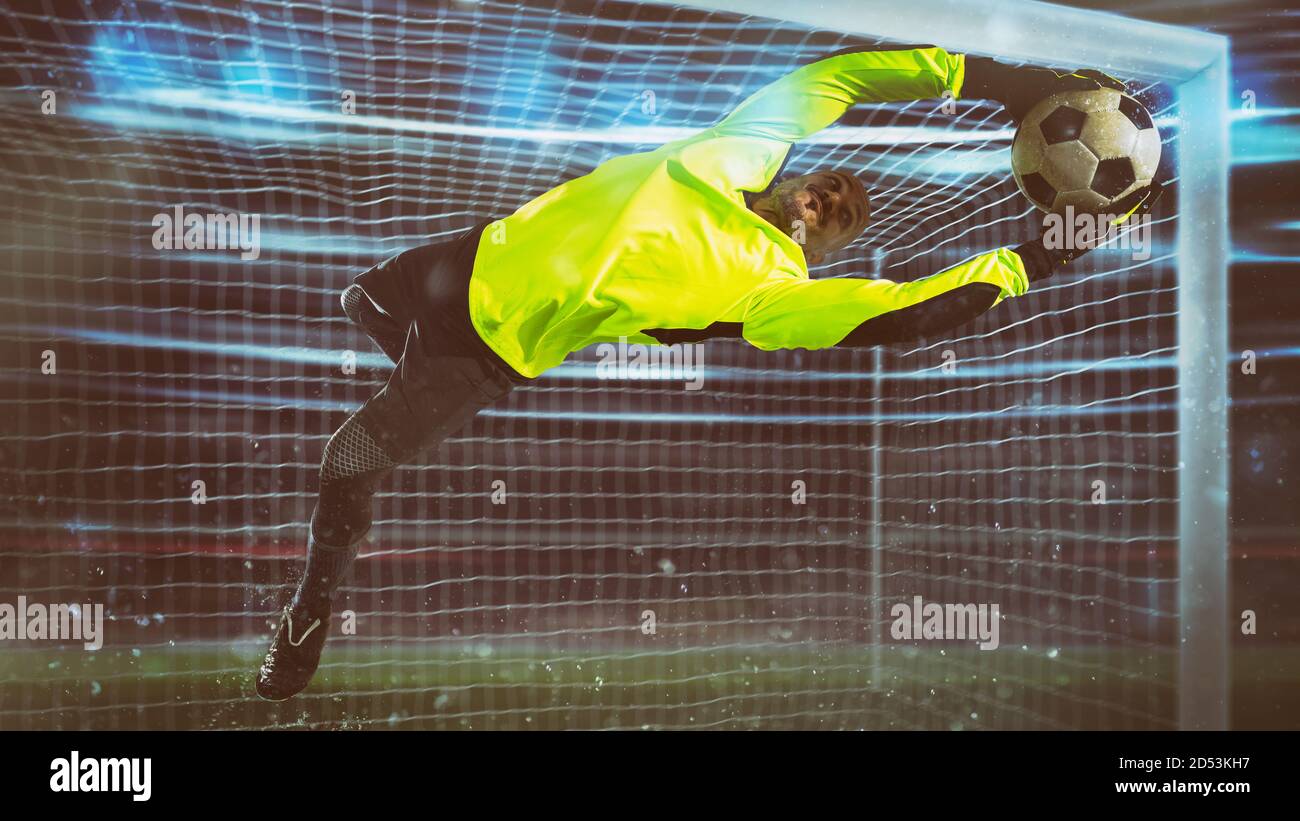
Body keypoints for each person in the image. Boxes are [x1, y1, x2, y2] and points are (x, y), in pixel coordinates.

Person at [256, 44, 1161, 701]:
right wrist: (999, 83)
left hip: (481, 350)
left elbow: (905, 314)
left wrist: (1037, 257)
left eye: (844, 217)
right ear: (807, 179)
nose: (833, 199)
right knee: (359, 303)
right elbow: (837, 80)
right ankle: (395, 357)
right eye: (835, 185)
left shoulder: (774, 290)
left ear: (826, 240)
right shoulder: (738, 152)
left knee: (345, 461)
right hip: (468, 252)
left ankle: (306, 617)